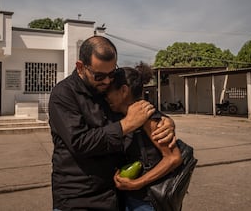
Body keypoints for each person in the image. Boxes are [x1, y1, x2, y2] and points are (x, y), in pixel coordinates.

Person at [48, 36, 176, 210]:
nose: (107, 81)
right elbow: (80, 142)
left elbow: (132, 104)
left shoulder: (104, 86)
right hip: (77, 197)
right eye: (99, 76)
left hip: (113, 196)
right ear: (80, 67)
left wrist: (163, 120)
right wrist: (126, 125)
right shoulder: (63, 94)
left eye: (111, 73)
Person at [106, 63, 182, 210]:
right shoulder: (119, 115)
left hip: (147, 201)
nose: (106, 95)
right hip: (128, 197)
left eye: (109, 90)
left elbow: (173, 158)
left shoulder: (148, 117)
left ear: (123, 91)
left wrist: (137, 183)